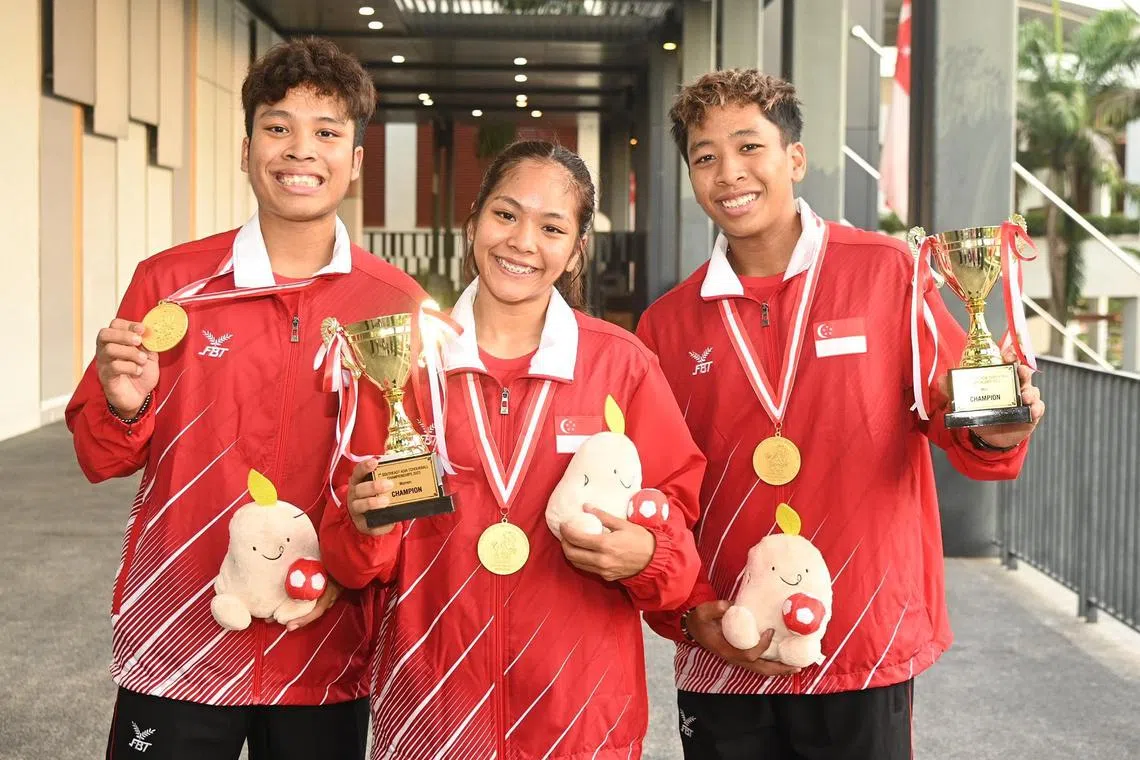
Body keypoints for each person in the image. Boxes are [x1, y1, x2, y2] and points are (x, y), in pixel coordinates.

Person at [635, 69, 1046, 759]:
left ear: (794, 159)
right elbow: (658, 498)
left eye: (749, 147)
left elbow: (965, 425)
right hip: (726, 643)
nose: (729, 172)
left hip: (864, 643)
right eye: (705, 157)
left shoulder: (888, 273)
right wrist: (688, 611)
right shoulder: (667, 325)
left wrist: (998, 428)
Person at [66, 38, 427, 760]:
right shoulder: (172, 283)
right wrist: (127, 406)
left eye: (327, 133)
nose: (301, 151)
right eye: (278, 127)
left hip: (324, 642)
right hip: (181, 635)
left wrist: (357, 564)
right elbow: (100, 456)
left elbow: (410, 478)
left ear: (354, 163)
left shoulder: (396, 303)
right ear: (246, 148)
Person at [318, 140, 707, 759]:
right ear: (472, 223)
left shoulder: (621, 366)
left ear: (577, 248)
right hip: (432, 713)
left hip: (580, 718)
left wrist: (648, 555)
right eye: (506, 215)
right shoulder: (409, 361)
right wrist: (366, 522)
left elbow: (679, 551)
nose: (523, 242)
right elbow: (354, 562)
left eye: (552, 226)